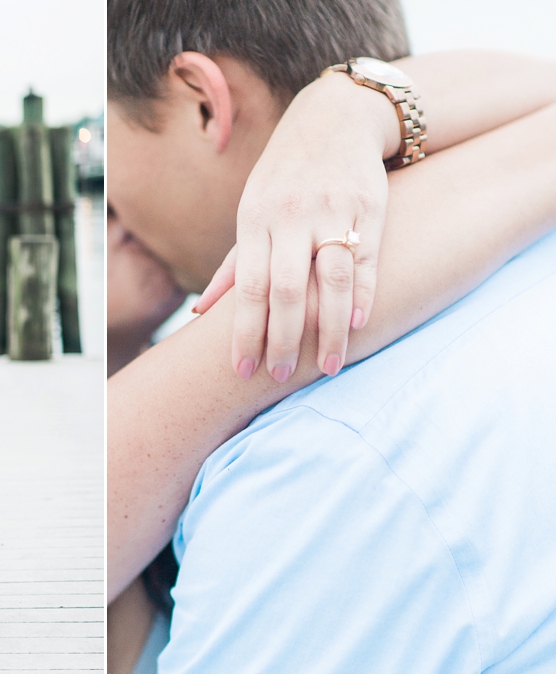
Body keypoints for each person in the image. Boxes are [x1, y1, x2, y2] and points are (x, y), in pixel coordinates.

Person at [106, 0, 556, 670]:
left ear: (206, 102)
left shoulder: (304, 467)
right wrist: (352, 104)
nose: (109, 206)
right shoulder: (518, 256)